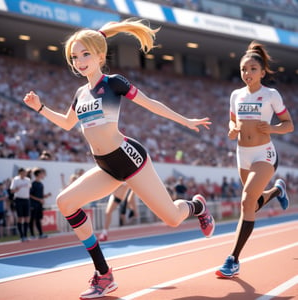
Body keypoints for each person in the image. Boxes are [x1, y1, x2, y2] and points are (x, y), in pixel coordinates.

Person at [23, 18, 215, 299]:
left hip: (129, 159)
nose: (79, 61)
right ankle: (104, 274)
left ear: (100, 55)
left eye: (85, 54)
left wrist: (185, 120)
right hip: (106, 166)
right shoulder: (80, 93)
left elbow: (151, 104)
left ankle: (196, 207)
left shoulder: (113, 83)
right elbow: (66, 123)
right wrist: (40, 107)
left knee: (172, 218)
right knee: (66, 202)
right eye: (74, 57)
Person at [216, 41, 294, 278]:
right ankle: (276, 191)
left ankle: (233, 259)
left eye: (252, 69)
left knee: (246, 202)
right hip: (243, 155)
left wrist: (272, 129)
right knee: (253, 202)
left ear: (262, 72)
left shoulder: (270, 95)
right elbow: (232, 120)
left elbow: (289, 125)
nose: (247, 73)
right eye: (243, 69)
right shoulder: (236, 95)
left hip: (264, 154)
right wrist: (231, 129)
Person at [10, 168, 31, 242]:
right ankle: (21, 236)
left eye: (25, 172)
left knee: (27, 217)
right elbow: (12, 190)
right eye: (23, 172)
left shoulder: (28, 180)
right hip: (18, 199)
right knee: (20, 218)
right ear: (20, 173)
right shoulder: (15, 180)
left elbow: (29, 189)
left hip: (26, 200)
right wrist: (16, 189)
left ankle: (25, 235)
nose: (24, 174)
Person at [29, 168, 52, 239]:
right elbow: (30, 195)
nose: (43, 175)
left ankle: (40, 234)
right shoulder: (33, 184)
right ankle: (32, 235)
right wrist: (39, 199)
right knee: (32, 219)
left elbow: (40, 195)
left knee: (38, 219)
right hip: (33, 204)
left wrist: (46, 196)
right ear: (38, 174)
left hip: (39, 204)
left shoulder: (41, 184)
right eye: (42, 173)